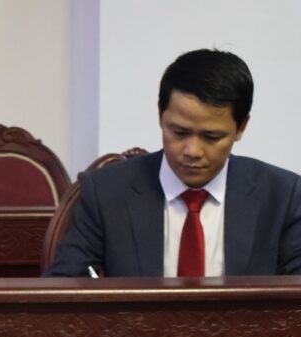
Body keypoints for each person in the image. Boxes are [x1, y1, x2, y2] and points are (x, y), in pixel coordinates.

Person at [45, 48, 301, 277]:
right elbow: (63, 290)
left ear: (241, 127)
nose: (192, 151)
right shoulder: (106, 192)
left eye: (211, 137)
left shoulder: (283, 197)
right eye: (179, 132)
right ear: (160, 114)